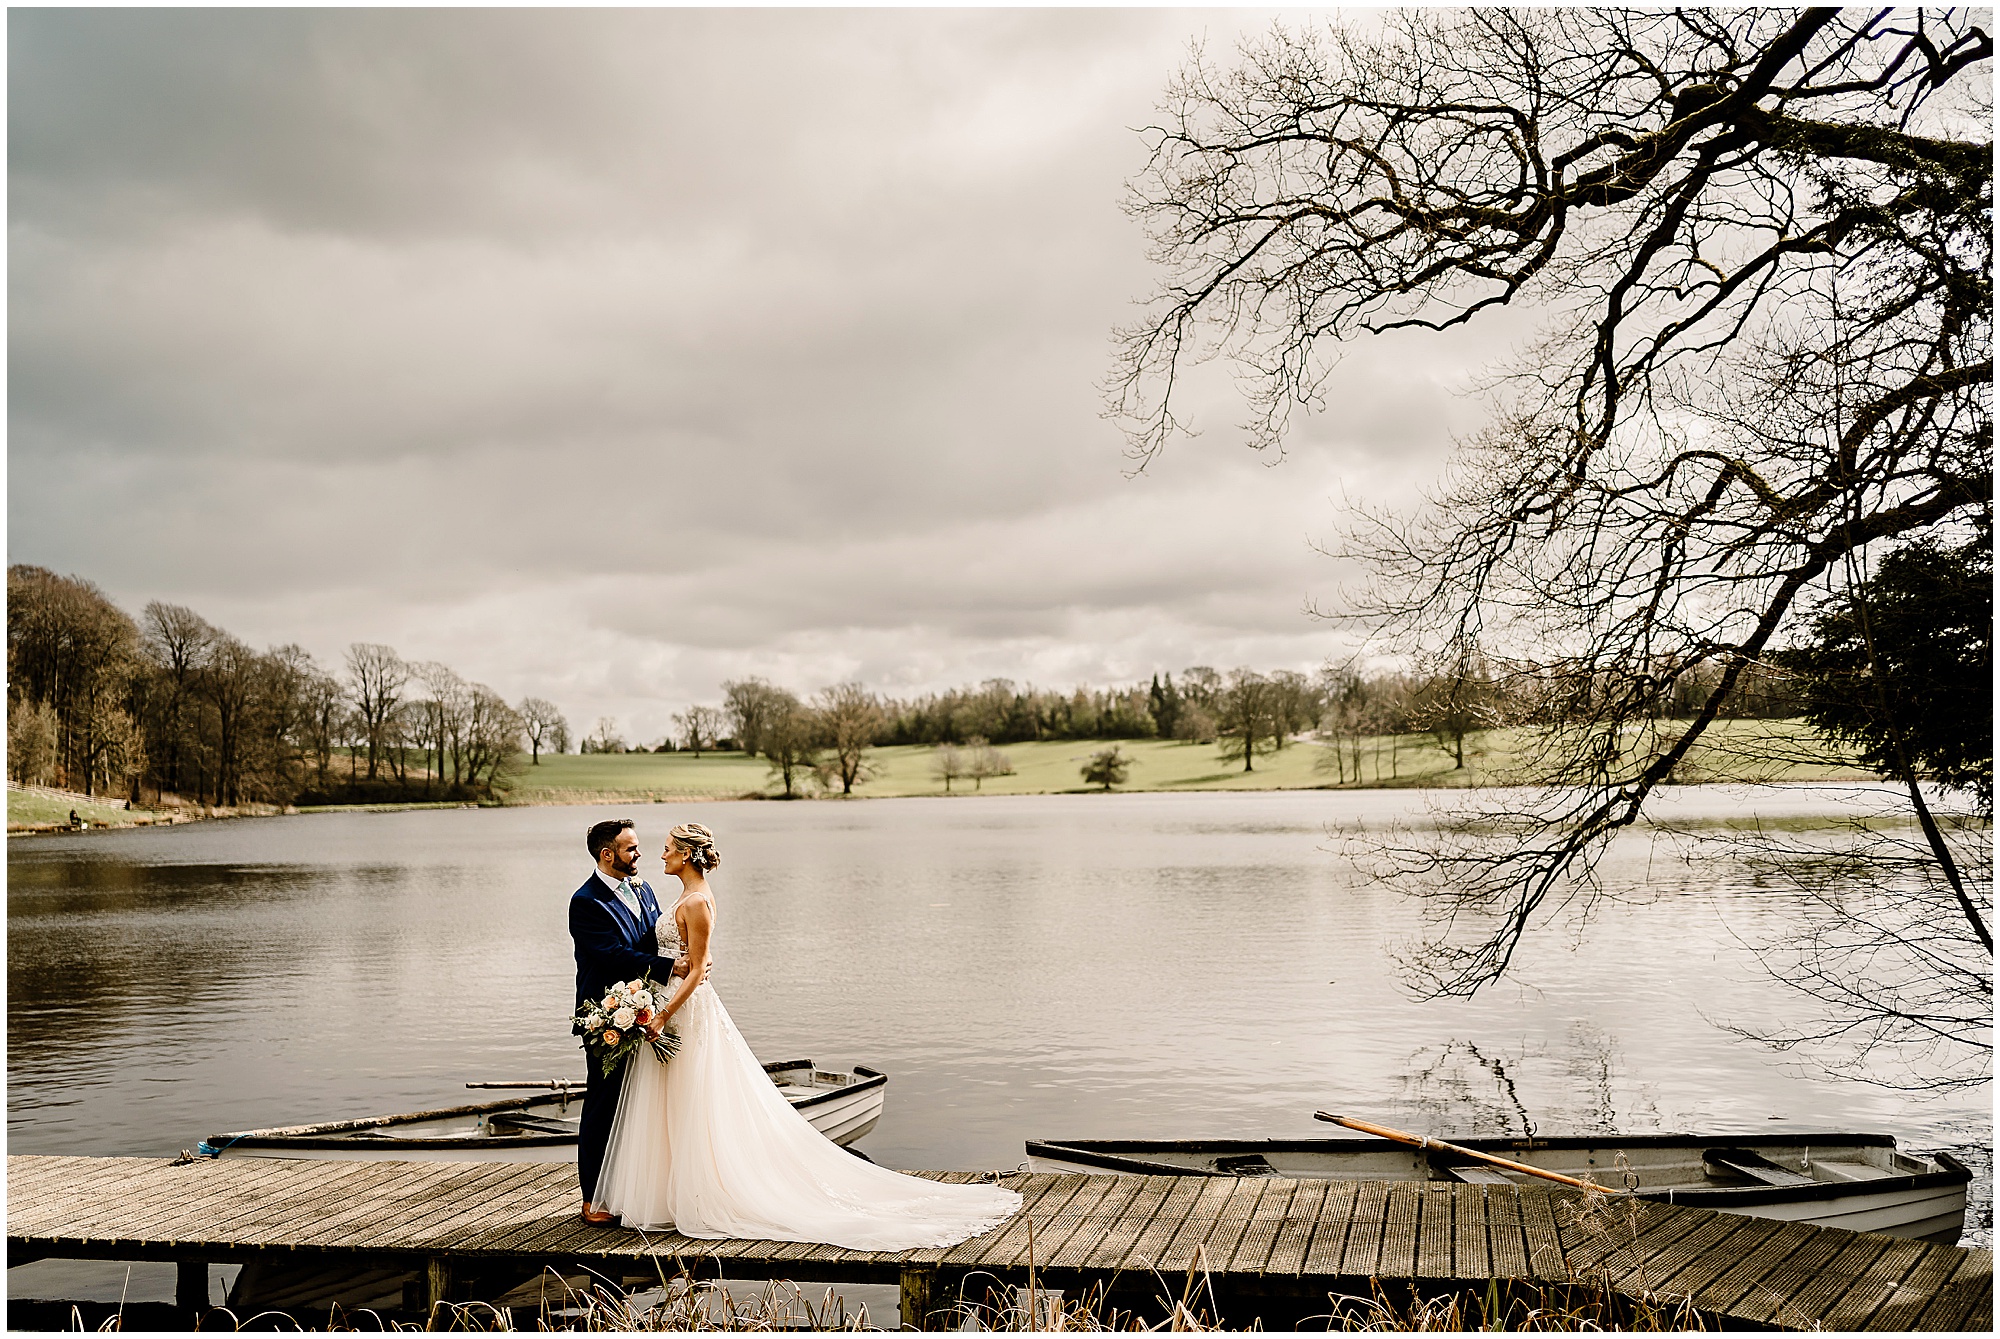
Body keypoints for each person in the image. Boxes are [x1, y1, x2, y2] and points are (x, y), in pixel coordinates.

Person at [592, 821, 1021, 1250]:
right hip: (670, 1004)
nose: (660, 854)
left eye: (667, 848)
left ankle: (703, 1192)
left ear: (686, 854)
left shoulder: (698, 902)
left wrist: (664, 1013)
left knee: (695, 1099)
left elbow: (700, 969)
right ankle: (669, 1194)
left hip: (684, 1011)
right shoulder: (681, 896)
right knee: (673, 1100)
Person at [569, 817, 691, 1225]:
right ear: (608, 854)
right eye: (631, 849)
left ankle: (636, 1190)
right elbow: (612, 954)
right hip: (606, 1016)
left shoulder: (645, 889)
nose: (640, 854)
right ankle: (593, 1198)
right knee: (604, 1102)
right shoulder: (585, 902)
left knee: (644, 1103)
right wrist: (672, 967)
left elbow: (654, 937)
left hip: (649, 1009)